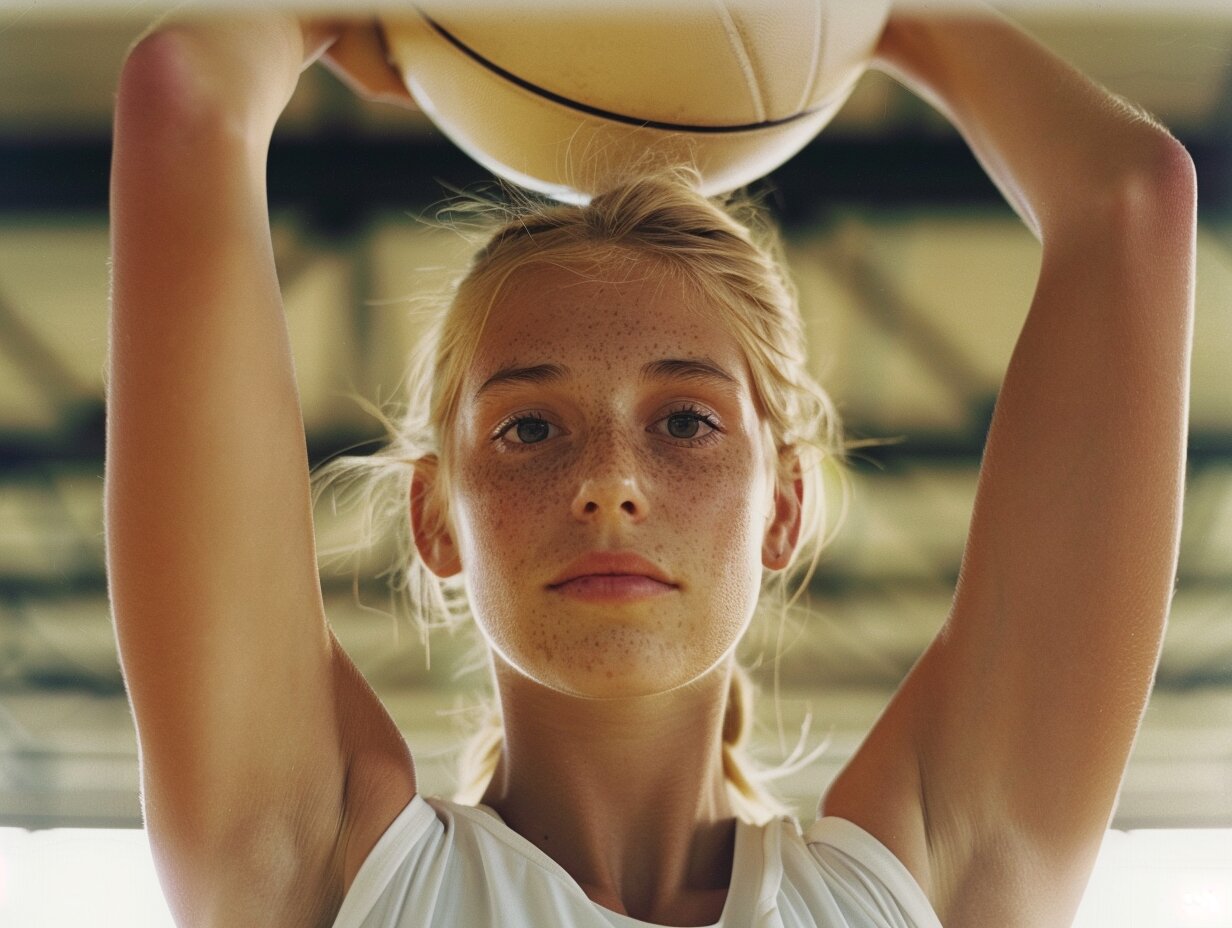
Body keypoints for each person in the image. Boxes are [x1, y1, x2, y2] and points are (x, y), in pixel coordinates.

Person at [105, 5, 1196, 927]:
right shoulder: (325, 866)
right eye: (528, 427)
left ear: (785, 505)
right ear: (435, 517)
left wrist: (863, 19)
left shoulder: (909, 892)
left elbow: (1134, 200)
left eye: (684, 421)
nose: (608, 482)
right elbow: (181, 98)